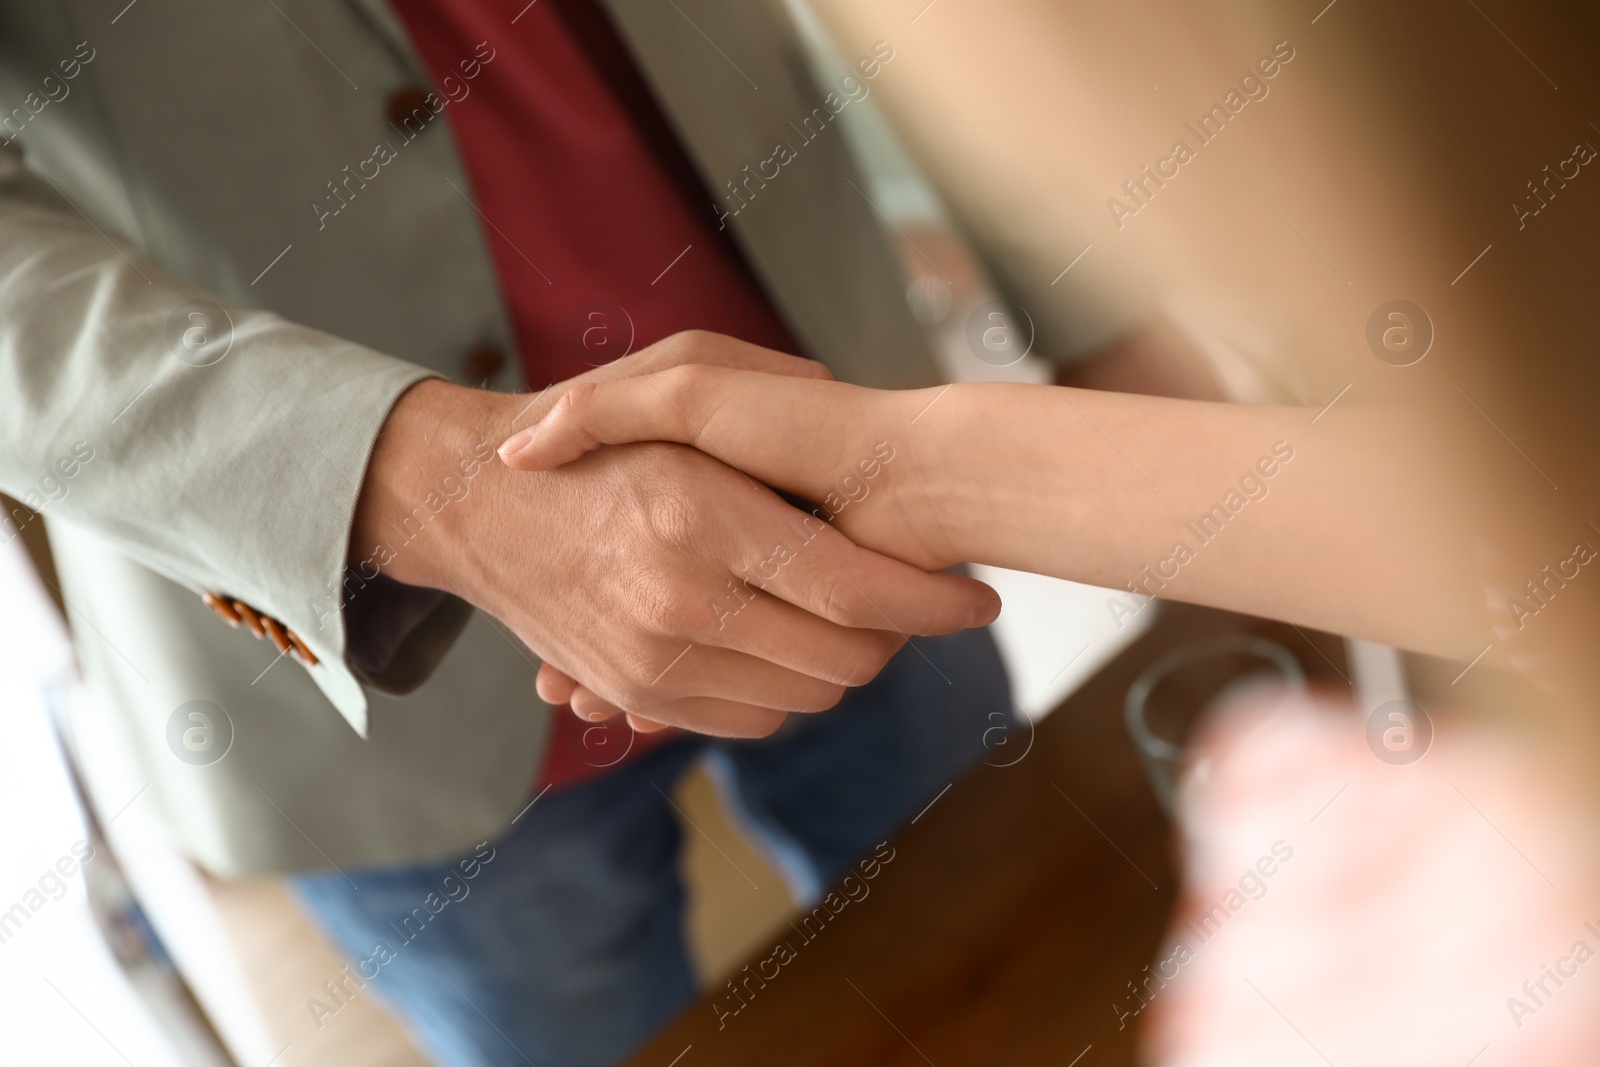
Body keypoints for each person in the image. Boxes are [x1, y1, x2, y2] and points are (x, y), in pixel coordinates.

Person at [0, 1, 1217, 1062]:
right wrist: (436, 488)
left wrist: (1093, 296)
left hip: (839, 455)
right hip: (371, 676)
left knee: (1039, 957)